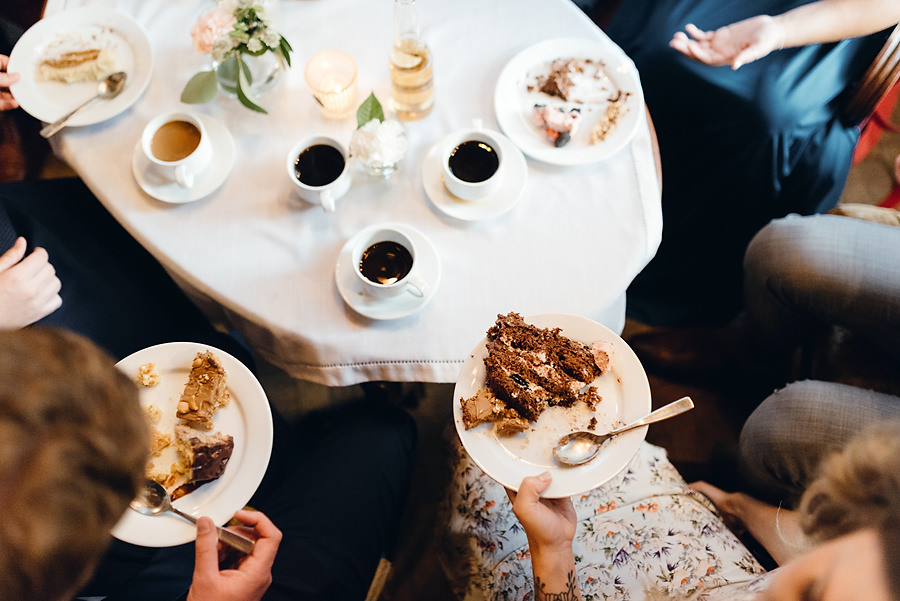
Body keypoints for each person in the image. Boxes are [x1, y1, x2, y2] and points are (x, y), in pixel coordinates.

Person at [600, 0, 900, 325]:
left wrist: (781, 30)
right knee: (663, 44)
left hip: (839, 12)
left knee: (768, 115)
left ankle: (679, 278)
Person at [440, 419, 900, 600]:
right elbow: (814, 546)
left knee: (480, 463)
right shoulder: (873, 560)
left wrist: (553, 552)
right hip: (689, 547)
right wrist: (733, 505)